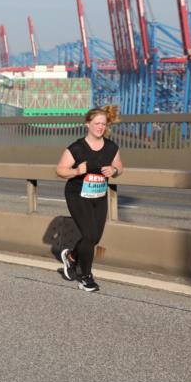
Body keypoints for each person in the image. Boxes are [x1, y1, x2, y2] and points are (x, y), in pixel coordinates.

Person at [55, 107, 124, 292]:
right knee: (90, 235)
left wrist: (114, 171)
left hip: (99, 196)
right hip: (77, 195)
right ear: (88, 125)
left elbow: (119, 166)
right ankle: (85, 277)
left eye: (103, 124)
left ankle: (71, 257)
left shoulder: (111, 147)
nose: (100, 127)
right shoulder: (77, 148)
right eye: (96, 124)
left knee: (94, 236)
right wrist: (76, 171)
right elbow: (60, 169)